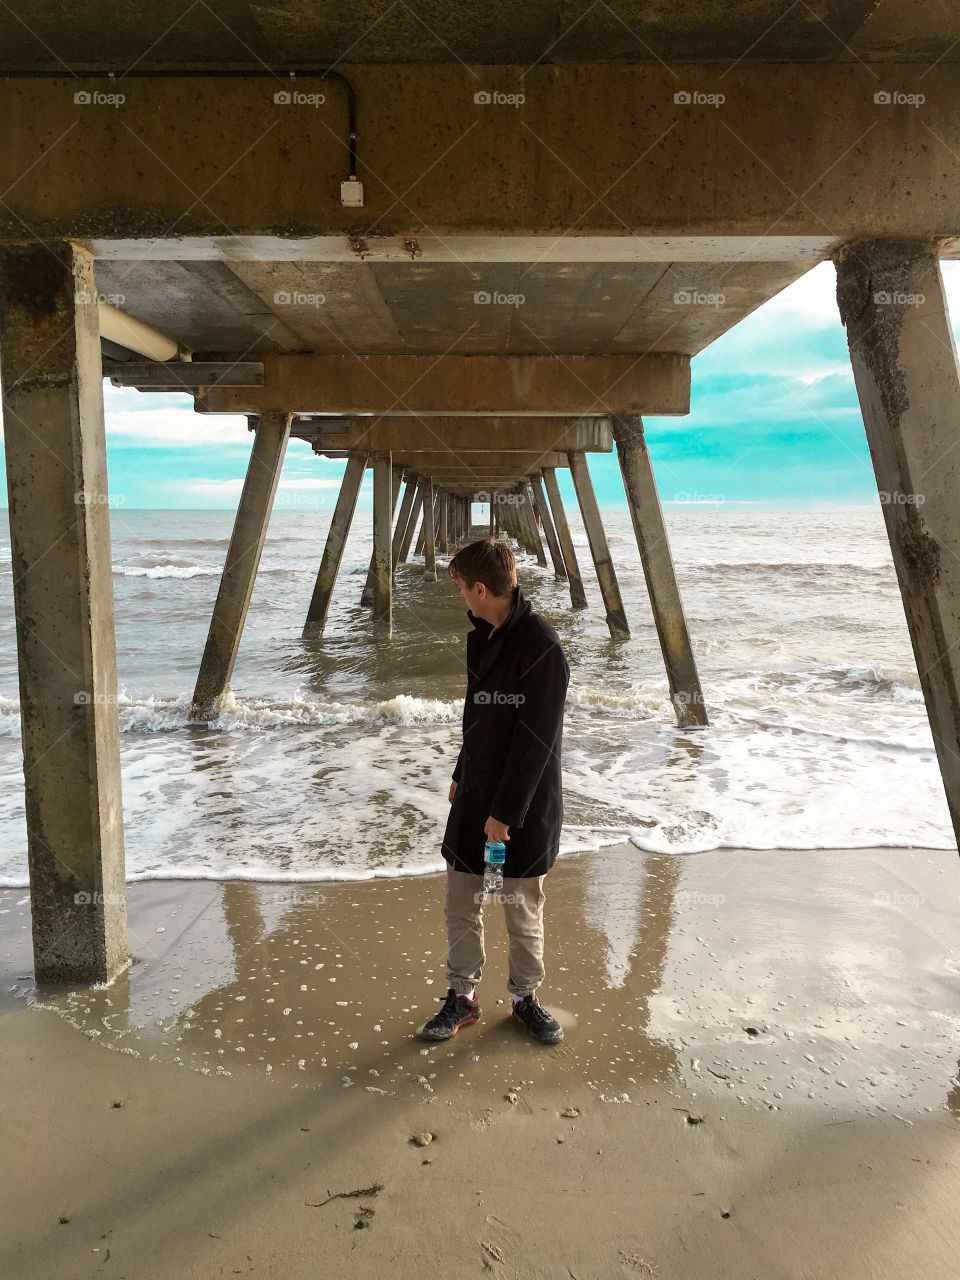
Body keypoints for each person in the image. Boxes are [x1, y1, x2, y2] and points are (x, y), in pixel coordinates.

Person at [419, 536, 570, 1046]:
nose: (462, 597)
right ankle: (461, 997)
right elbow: (478, 717)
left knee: (519, 901)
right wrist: (463, 770)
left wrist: (505, 813)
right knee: (462, 897)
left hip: (523, 801)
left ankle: (525, 1000)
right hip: (475, 792)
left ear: (481, 588)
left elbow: (538, 744)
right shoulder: (481, 635)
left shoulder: (543, 647)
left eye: (462, 588)